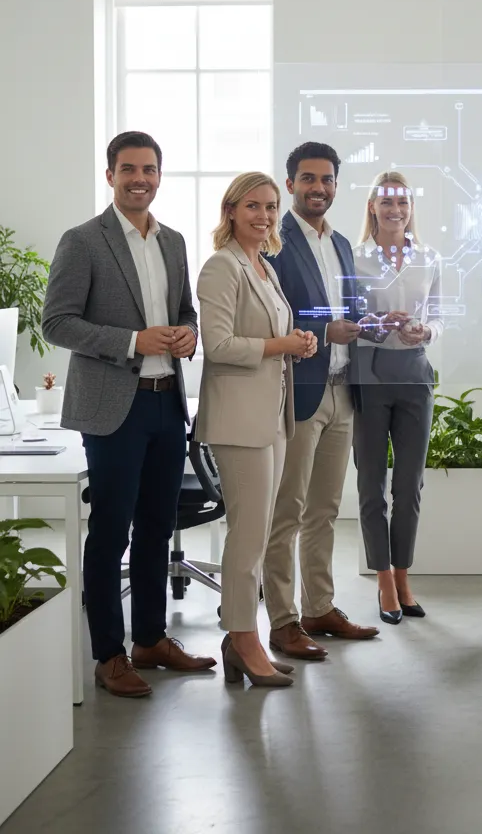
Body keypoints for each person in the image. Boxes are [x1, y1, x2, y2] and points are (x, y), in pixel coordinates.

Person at [41, 131, 214, 698]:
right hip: (113, 407)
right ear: (110, 175)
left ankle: (150, 639)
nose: (140, 179)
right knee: (111, 531)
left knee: (157, 526)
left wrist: (188, 334)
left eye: (149, 169)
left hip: (167, 400)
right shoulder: (83, 241)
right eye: (129, 169)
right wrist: (133, 341)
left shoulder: (174, 242)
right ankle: (108, 655)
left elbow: (185, 310)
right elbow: (57, 322)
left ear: (159, 176)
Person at [194, 171, 317, 689]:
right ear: (231, 211)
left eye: (270, 207)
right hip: (239, 421)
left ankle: (243, 639)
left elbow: (268, 334)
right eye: (253, 206)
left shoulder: (263, 266)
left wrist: (297, 342)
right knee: (246, 538)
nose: (264, 216)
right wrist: (280, 346)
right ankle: (242, 639)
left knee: (260, 535)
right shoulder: (222, 266)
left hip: (272, 417)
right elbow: (219, 345)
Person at [262, 143, 379, 661]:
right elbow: (272, 314)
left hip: (342, 390)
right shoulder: (273, 240)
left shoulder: (343, 244)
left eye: (327, 179)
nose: (319, 188)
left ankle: (319, 607)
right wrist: (325, 329)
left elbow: (348, 308)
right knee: (287, 511)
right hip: (298, 391)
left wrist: (371, 323)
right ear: (290, 184)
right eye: (308, 179)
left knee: (325, 510)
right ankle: (283, 620)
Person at [351, 171, 442, 624]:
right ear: (372, 206)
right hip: (369, 372)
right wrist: (375, 324)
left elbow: (439, 315)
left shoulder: (429, 258)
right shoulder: (354, 258)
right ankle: (383, 579)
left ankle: (403, 576)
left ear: (411, 208)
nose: (395, 210)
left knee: (409, 485)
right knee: (372, 483)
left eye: (403, 203)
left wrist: (427, 331)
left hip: (414, 374)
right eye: (386, 202)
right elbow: (346, 319)